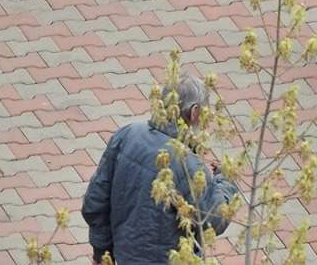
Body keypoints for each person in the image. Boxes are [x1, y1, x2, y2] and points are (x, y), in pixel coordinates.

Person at [82, 76, 237, 263]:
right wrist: (226, 180)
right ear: (195, 112)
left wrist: (102, 253)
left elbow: (95, 202)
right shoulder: (188, 166)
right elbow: (215, 220)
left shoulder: (127, 135)